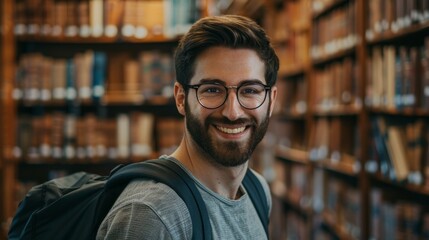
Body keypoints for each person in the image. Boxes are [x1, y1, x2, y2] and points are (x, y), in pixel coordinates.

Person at [96, 14, 278, 240]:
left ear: (271, 101)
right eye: (212, 89)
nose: (233, 112)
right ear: (181, 99)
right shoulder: (153, 214)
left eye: (250, 90)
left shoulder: (257, 190)